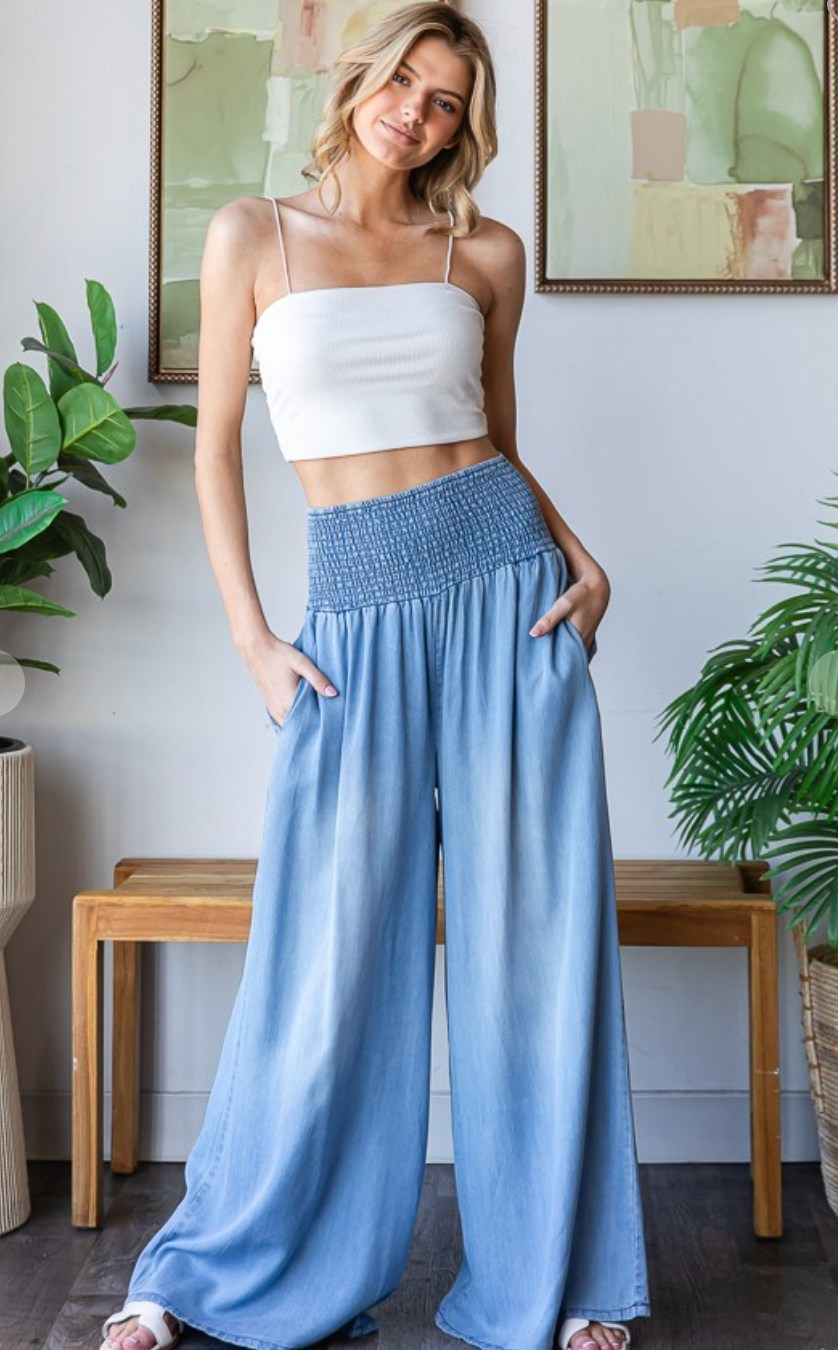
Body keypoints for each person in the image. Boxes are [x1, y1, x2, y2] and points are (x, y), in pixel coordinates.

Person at [99, 5, 651, 1350]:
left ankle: (565, 1283)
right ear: (359, 80)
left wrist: (586, 562)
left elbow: (494, 441)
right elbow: (214, 450)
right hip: (351, 606)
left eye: (447, 99)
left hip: (510, 596)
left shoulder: (484, 254)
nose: (417, 109)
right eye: (405, 79)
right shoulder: (252, 235)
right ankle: (212, 1270)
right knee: (326, 950)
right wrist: (253, 638)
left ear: (466, 126)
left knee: (538, 942)